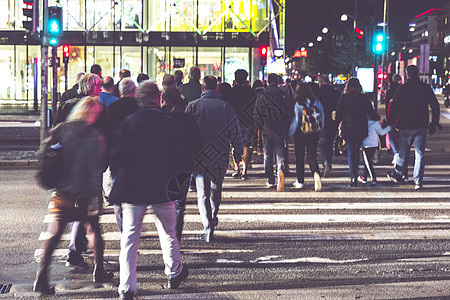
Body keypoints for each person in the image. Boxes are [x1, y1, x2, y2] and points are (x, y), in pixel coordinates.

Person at [109, 81, 190, 299]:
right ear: (159, 98)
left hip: (135, 189)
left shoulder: (129, 124)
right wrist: (177, 187)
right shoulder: (169, 123)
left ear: (139, 99)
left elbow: (118, 158)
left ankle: (127, 286)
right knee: (168, 232)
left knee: (130, 237)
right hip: (163, 188)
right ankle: (173, 271)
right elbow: (182, 159)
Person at [33, 96, 113, 295]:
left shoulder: (61, 129)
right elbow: (97, 169)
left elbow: (43, 152)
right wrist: (96, 198)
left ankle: (41, 277)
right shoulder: (95, 136)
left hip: (62, 191)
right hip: (84, 195)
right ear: (93, 114)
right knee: (94, 230)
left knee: (55, 233)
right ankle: (98, 270)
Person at [185, 75, 243, 242]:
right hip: (220, 155)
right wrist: (238, 151)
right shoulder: (226, 107)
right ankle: (214, 214)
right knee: (216, 189)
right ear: (217, 88)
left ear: (202, 88)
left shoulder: (193, 106)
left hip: (199, 156)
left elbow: (185, 132)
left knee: (202, 192)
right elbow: (235, 131)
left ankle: (207, 225)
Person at [387, 65, 440, 190]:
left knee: (403, 153)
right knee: (420, 153)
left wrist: (391, 122)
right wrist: (434, 123)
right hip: (421, 125)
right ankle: (418, 180)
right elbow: (435, 106)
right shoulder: (425, 88)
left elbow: (395, 107)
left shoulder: (402, 89)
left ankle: (399, 175)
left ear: (407, 75)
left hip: (405, 125)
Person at [104, 78, 140, 232]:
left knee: (117, 191)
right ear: (134, 91)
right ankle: (134, 225)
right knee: (136, 192)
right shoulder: (139, 107)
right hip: (136, 155)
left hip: (116, 155)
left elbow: (107, 132)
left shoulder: (112, 107)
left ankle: (122, 226)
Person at [335, 78, 380, 187]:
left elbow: (338, 114)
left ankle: (353, 176)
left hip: (348, 129)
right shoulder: (363, 98)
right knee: (357, 150)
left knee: (351, 152)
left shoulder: (344, 98)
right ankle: (358, 173)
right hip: (360, 128)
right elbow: (371, 112)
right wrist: (378, 117)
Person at [253, 73, 288, 191]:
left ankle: (270, 179)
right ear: (277, 81)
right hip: (279, 127)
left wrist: (260, 126)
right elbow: (288, 112)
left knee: (267, 154)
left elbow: (256, 113)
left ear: (267, 81)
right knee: (280, 153)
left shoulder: (262, 95)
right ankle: (280, 172)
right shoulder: (283, 94)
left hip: (266, 127)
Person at [288, 81, 324, 191]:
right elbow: (322, 115)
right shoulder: (316, 101)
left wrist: (290, 132)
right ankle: (316, 174)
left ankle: (300, 180)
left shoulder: (298, 103)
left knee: (299, 156)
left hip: (301, 132)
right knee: (312, 155)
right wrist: (321, 129)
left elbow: (297, 120)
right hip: (314, 132)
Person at [229, 69, 257, 180]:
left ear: (235, 78)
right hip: (248, 121)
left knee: (235, 144)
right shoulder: (251, 92)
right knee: (246, 145)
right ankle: (244, 170)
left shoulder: (231, 92)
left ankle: (236, 167)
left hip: (234, 120)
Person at [315, 74, 341, 177]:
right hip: (332, 121)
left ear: (320, 82)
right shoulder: (336, 93)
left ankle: (325, 162)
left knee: (321, 143)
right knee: (330, 143)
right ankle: (329, 162)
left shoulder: (317, 93)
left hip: (320, 121)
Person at [359, 116, 391, 185]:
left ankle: (373, 178)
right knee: (368, 161)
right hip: (374, 144)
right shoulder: (375, 123)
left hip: (366, 144)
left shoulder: (362, 122)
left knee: (368, 162)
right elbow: (381, 132)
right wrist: (389, 128)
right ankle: (364, 177)